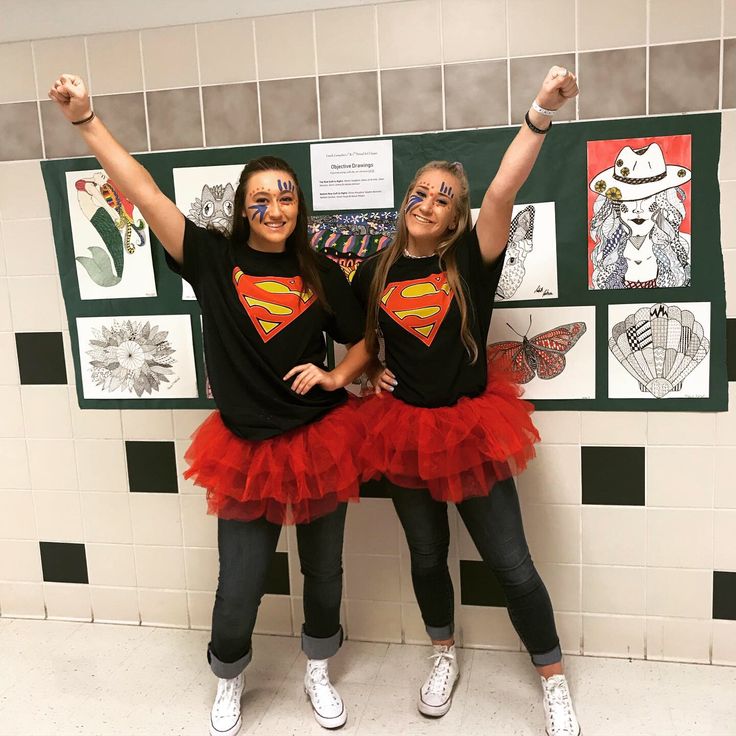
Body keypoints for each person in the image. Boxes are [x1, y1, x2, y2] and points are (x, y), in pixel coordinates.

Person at [49, 74, 371, 736]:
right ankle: (229, 677)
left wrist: (340, 375)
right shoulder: (210, 256)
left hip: (319, 441)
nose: (276, 208)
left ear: (297, 204)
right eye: (262, 199)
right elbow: (142, 189)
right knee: (239, 585)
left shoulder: (321, 271)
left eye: (285, 196)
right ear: (244, 210)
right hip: (246, 448)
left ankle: (317, 667)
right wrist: (86, 121)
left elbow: (368, 336)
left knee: (325, 572)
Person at [352, 67, 582, 736]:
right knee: (426, 556)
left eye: (444, 197)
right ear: (407, 200)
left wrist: (540, 108)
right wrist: (370, 378)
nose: (428, 201)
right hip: (403, 431)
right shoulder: (376, 270)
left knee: (511, 562)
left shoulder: (473, 259)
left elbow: (506, 184)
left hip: (472, 430)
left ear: (457, 215)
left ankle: (553, 678)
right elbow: (364, 341)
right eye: (421, 191)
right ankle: (443, 653)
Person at [589, 142, 691, 289]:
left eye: (646, 199)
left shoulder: (684, 245)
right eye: (630, 200)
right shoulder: (605, 251)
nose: (638, 209)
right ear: (615, 205)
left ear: (662, 202)